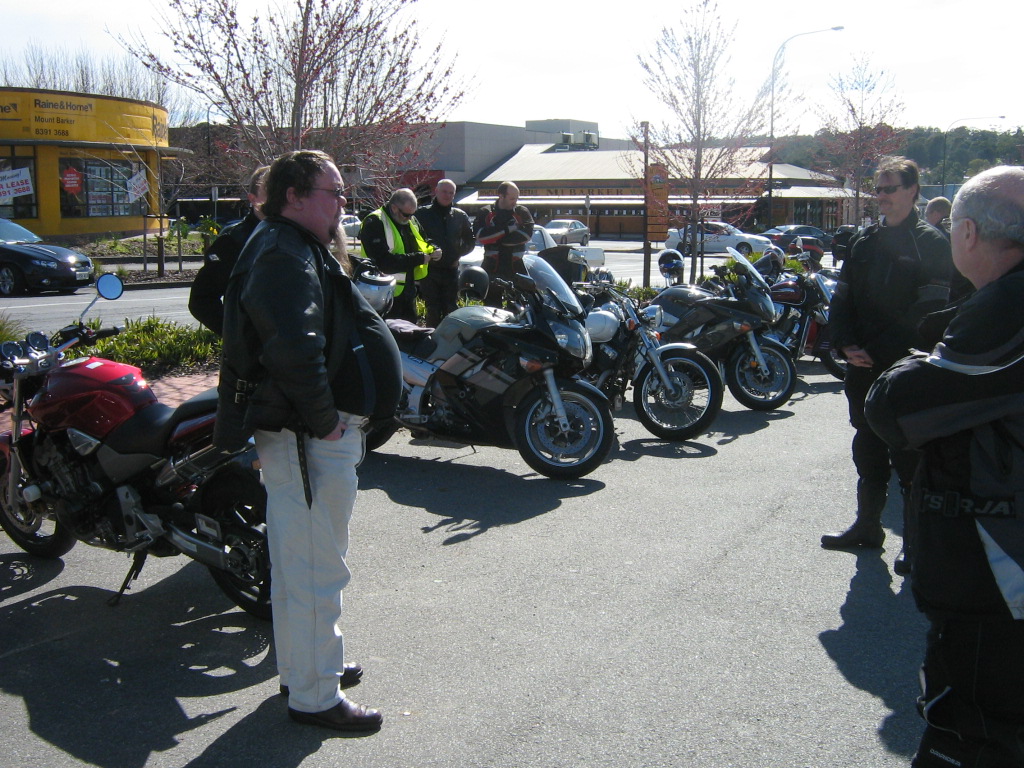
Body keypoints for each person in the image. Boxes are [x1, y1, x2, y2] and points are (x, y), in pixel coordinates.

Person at [215, 149, 401, 733]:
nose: (344, 203)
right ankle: (316, 697)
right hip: (305, 435)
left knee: (301, 562)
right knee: (316, 566)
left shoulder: (292, 245)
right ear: (294, 195)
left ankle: (307, 672)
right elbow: (293, 349)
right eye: (334, 192)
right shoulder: (282, 250)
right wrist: (325, 422)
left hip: (308, 433)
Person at [864, 165, 1024, 768]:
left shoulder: (1009, 303)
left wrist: (914, 360)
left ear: (970, 233)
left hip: (998, 569)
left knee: (971, 733)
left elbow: (900, 409)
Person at [820, 157, 953, 578]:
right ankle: (867, 526)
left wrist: (877, 350)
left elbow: (931, 310)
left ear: (912, 190)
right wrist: (844, 343)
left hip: (907, 366)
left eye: (889, 188)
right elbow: (842, 297)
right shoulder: (864, 240)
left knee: (909, 454)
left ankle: (915, 543)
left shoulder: (931, 242)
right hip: (861, 364)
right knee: (867, 444)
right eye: (877, 188)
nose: (881, 196)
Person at [188, 166, 269, 336]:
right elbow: (201, 300)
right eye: (269, 192)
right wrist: (242, 337)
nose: (278, 200)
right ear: (252, 199)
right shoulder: (233, 241)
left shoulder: (300, 235)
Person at [359, 187, 440, 322]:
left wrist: (435, 249)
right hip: (382, 293)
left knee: (410, 330)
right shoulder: (375, 221)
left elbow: (424, 240)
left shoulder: (409, 219)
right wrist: (418, 258)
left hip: (407, 291)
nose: (409, 218)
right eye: (406, 215)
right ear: (394, 208)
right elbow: (383, 262)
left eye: (412, 214)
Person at [415, 178, 475, 327]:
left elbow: (470, 240)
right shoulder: (422, 214)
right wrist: (429, 252)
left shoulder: (460, 216)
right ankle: (431, 338)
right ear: (436, 191)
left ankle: (450, 339)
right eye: (444, 191)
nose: (447, 195)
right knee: (433, 310)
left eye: (451, 193)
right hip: (430, 270)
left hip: (451, 270)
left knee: (451, 309)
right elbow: (415, 238)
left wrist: (457, 252)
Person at [474, 180, 534, 307]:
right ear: (501, 196)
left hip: (516, 268)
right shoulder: (485, 212)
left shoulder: (522, 212)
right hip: (492, 268)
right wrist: (508, 230)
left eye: (517, 198)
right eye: (512, 198)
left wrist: (496, 237)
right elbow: (481, 237)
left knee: (520, 309)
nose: (515, 202)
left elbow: (526, 235)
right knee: (492, 310)